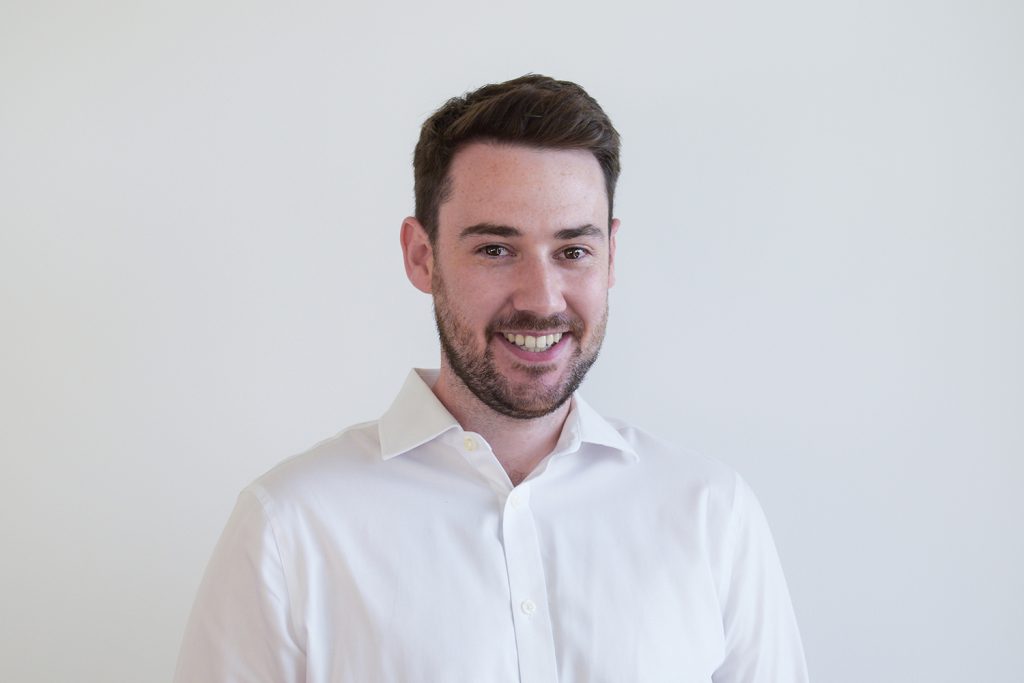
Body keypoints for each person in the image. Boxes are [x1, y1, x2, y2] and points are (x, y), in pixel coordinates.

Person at [173, 74, 809, 682]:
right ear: (422, 257)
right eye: (495, 249)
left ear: (610, 254)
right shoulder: (291, 528)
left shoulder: (711, 515)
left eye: (573, 251)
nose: (542, 298)